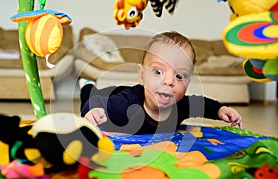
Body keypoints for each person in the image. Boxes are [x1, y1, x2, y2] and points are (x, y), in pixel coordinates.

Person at [79, 31, 243, 134]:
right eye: (158, 72)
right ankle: (87, 85)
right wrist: (93, 110)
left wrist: (221, 109)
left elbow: (202, 103)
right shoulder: (125, 106)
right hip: (114, 95)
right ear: (142, 75)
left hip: (124, 93)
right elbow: (95, 103)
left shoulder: (181, 105)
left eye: (180, 76)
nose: (169, 81)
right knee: (89, 96)